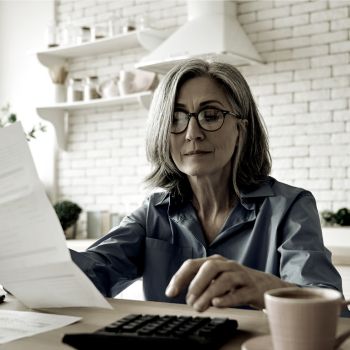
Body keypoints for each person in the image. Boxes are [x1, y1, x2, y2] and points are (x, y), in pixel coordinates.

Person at [70, 58, 342, 313]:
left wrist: (266, 288)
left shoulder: (289, 207)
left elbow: (334, 314)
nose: (192, 133)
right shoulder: (152, 213)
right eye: (176, 118)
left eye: (210, 115)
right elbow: (86, 276)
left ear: (241, 129)